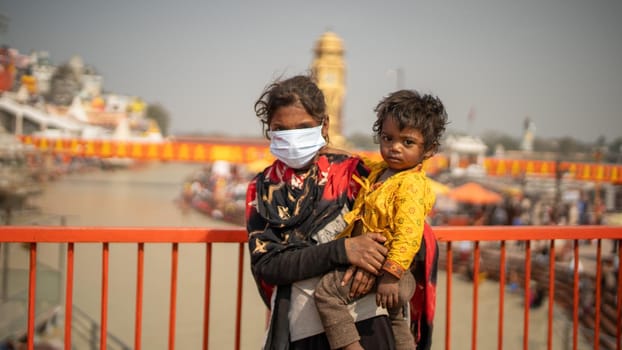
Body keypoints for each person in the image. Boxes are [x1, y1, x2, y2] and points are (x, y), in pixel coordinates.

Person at [246, 74, 397, 349]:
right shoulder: (263, 190)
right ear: (270, 130)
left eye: (303, 128)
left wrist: (375, 267)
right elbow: (268, 266)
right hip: (302, 328)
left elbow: (399, 230)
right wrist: (344, 250)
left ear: (324, 125)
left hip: (366, 318)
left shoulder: (357, 175)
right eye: (282, 129)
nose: (292, 140)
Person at [314, 89, 448, 350]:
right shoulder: (382, 172)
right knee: (397, 319)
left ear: (429, 150)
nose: (394, 148)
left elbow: (409, 235)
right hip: (388, 271)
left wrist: (390, 277)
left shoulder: (410, 185)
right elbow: (357, 161)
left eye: (407, 142)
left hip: (391, 272)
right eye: (388, 138)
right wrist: (328, 148)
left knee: (327, 293)